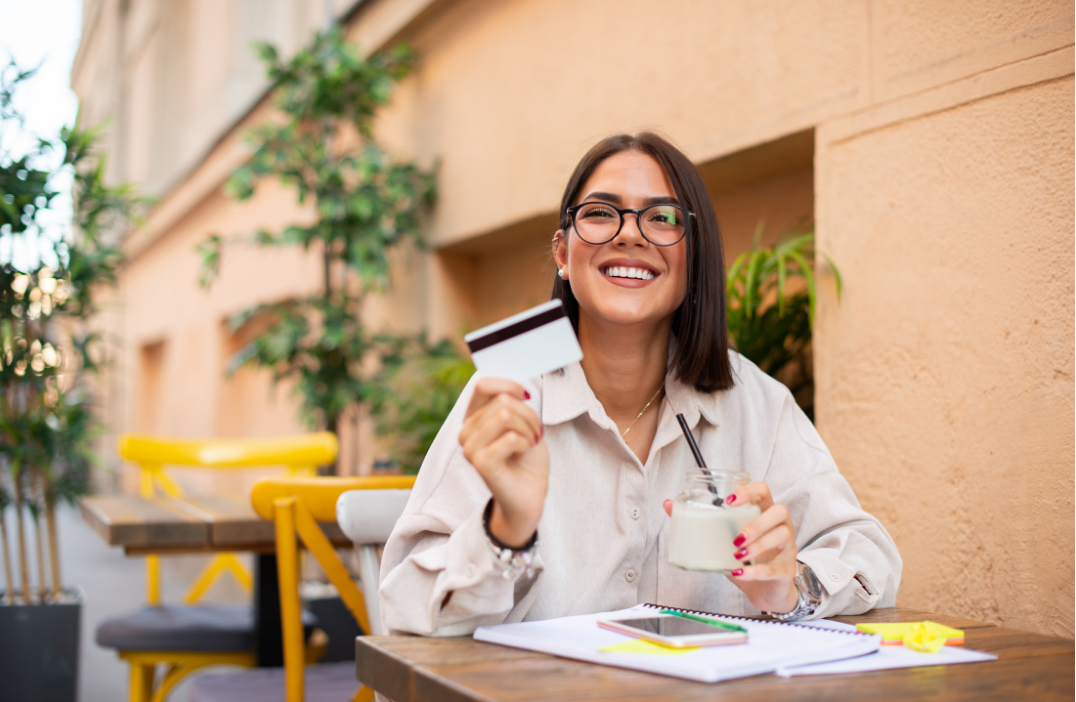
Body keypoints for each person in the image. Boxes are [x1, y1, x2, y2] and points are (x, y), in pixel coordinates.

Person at [378, 132, 901, 636]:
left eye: (663, 217)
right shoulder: (507, 395)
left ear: (692, 259)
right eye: (602, 213)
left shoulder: (754, 401)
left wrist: (791, 587)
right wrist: (505, 530)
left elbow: (866, 554)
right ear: (562, 253)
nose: (630, 233)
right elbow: (403, 604)